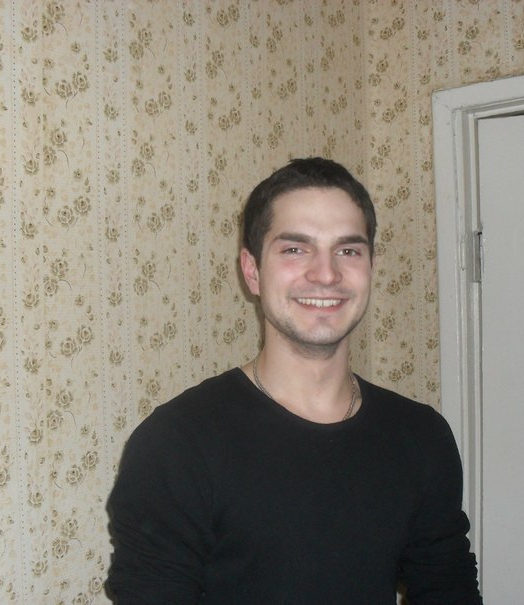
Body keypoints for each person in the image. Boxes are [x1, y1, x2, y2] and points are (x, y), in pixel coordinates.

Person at [106, 158, 482, 604]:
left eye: (348, 250)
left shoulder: (421, 436)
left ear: (371, 267)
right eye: (295, 249)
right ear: (252, 272)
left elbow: (448, 589)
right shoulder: (176, 445)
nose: (326, 274)